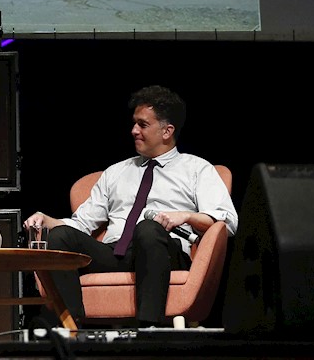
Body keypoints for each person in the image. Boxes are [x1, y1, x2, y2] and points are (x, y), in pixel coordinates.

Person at [23, 85, 237, 329]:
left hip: (164, 253)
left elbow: (226, 222)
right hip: (116, 253)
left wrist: (186, 216)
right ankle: (71, 327)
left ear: (167, 131)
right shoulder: (116, 172)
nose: (133, 130)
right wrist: (46, 219)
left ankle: (147, 329)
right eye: (134, 123)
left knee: (148, 228)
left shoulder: (197, 169)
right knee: (60, 236)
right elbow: (82, 224)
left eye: (143, 125)